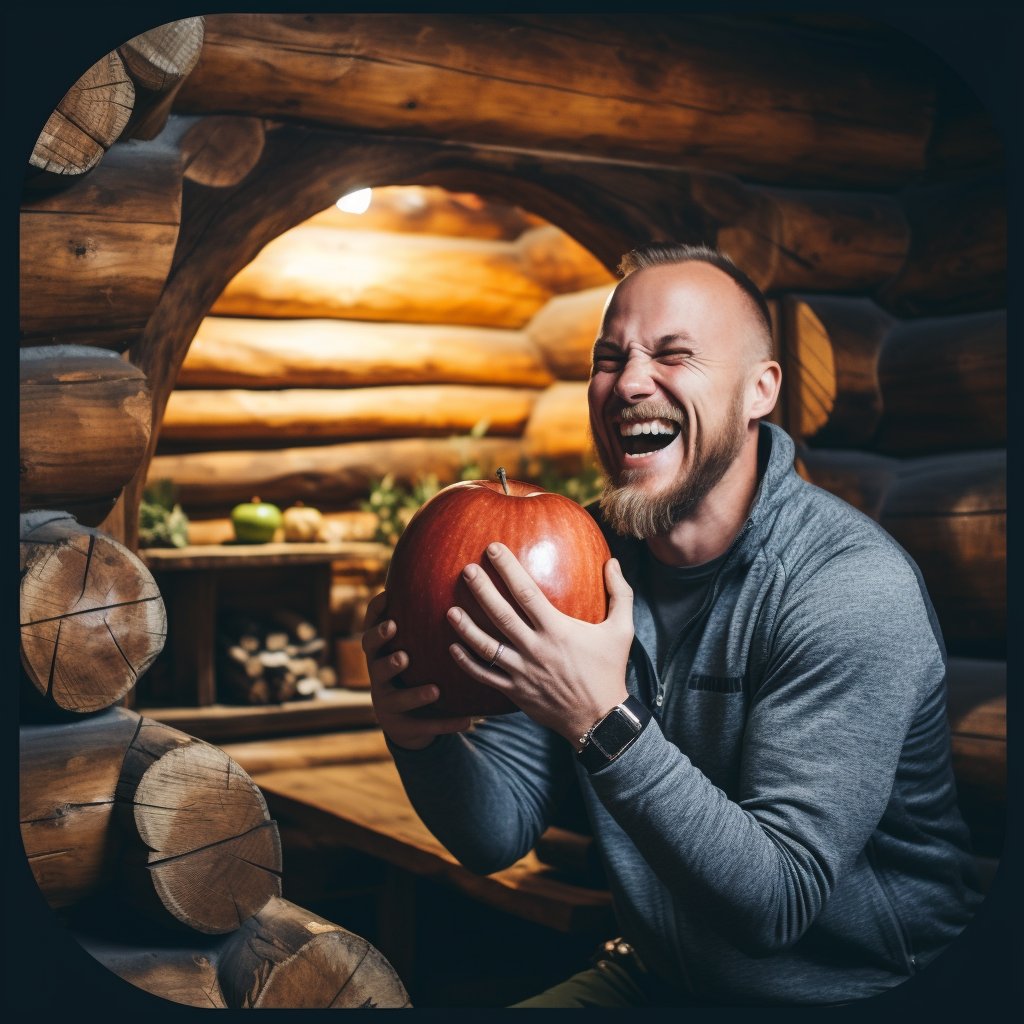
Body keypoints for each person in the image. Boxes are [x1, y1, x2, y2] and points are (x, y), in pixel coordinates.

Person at [361, 243, 982, 1007]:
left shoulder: (848, 586)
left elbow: (776, 902)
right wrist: (421, 735)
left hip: (857, 995)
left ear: (760, 391)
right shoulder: (577, 558)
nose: (627, 383)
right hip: (660, 981)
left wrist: (598, 717)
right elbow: (494, 834)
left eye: (673, 354)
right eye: (609, 358)